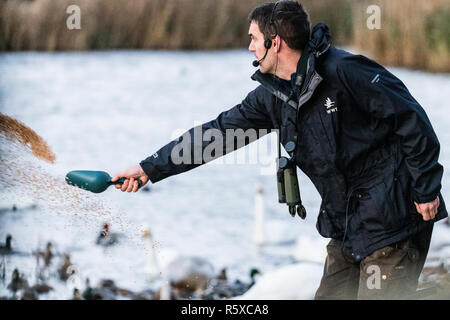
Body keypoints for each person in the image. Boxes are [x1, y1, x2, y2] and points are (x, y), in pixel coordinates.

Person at [111, 1, 447, 299]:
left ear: (277, 43)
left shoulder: (346, 71)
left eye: (254, 38)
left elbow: (412, 120)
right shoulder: (273, 95)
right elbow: (215, 135)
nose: (249, 47)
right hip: (346, 228)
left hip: (396, 221)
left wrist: (426, 188)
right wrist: (148, 168)